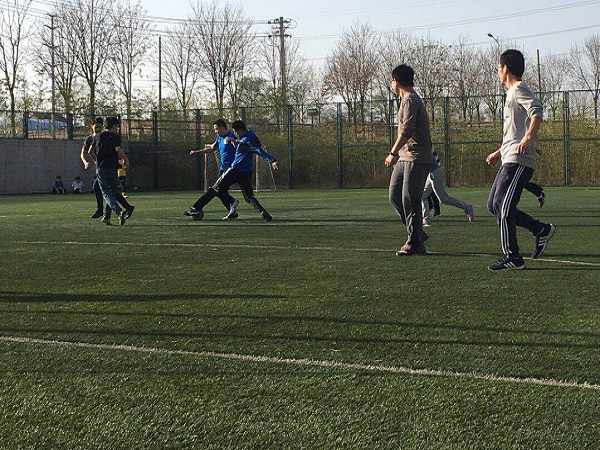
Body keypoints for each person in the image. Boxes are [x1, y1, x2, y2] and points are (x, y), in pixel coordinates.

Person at [485, 49, 555, 271]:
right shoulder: (510, 94)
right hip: (509, 157)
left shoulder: (518, 89)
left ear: (505, 68)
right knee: (493, 205)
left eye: (498, 68)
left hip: (519, 160)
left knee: (504, 207)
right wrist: (499, 152)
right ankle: (540, 229)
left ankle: (513, 257)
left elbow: (537, 109)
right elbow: (514, 133)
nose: (497, 72)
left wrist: (529, 137)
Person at [183, 120, 278, 221]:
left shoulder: (243, 140)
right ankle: (261, 212)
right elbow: (256, 147)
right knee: (248, 197)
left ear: (240, 130)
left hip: (234, 170)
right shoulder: (246, 136)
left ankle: (196, 208)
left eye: (236, 132)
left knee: (215, 189)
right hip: (245, 172)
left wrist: (234, 140)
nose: (235, 134)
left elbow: (256, 149)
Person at [385, 64, 434, 256]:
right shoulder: (405, 100)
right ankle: (417, 233)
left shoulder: (411, 100)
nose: (391, 84)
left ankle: (415, 243)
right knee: (395, 195)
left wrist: (392, 152)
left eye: (392, 80)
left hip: (416, 157)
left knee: (410, 198)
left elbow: (406, 131)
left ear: (396, 81)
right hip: (405, 157)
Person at [80, 117, 134, 219]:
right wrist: (126, 160)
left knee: (106, 192)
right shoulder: (112, 137)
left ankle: (116, 211)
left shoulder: (99, 136)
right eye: (96, 127)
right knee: (107, 190)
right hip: (111, 167)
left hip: (103, 167)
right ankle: (107, 213)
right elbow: (117, 149)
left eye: (99, 127)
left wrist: (96, 161)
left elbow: (91, 151)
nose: (97, 129)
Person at [188, 119, 240, 220]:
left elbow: (240, 148)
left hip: (231, 169)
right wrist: (197, 152)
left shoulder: (231, 137)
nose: (215, 131)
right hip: (223, 169)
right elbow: (211, 148)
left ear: (222, 127)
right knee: (220, 191)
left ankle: (196, 207)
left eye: (216, 129)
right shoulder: (219, 138)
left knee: (214, 189)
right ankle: (232, 209)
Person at [421, 146, 474, 226]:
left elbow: (428, 158)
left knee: (443, 198)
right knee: (422, 195)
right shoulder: (421, 142)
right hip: (431, 172)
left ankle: (467, 207)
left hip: (434, 172)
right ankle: (425, 219)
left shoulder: (423, 142)